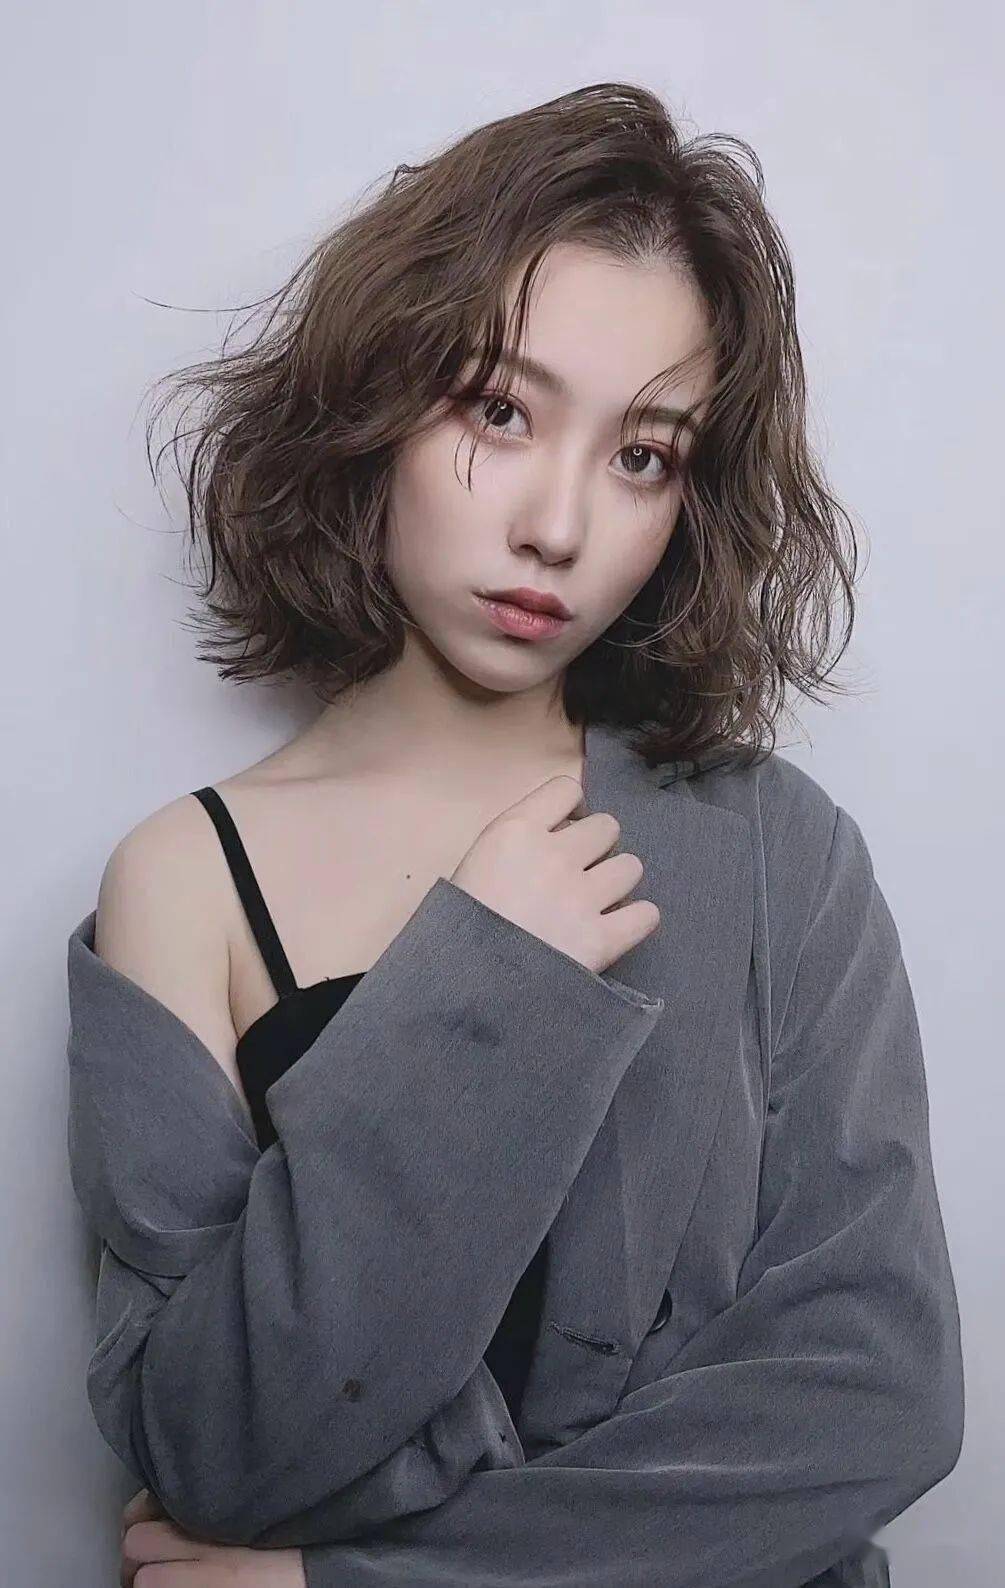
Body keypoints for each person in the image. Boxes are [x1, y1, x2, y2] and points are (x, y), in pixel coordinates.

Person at [72, 81, 961, 1588]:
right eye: (498, 409)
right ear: (374, 400)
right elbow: (213, 1442)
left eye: (643, 454)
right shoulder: (188, 877)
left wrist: (358, 1580)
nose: (558, 525)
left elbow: (877, 1401)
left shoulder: (776, 852)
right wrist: (485, 982)